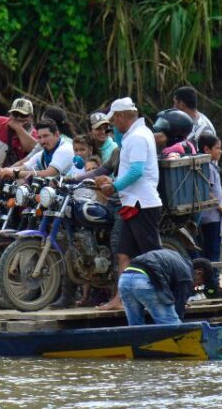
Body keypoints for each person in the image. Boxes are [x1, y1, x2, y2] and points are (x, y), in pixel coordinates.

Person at [94, 97, 163, 311]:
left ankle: (165, 294)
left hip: (143, 204)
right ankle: (120, 299)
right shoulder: (132, 136)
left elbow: (136, 171)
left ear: (122, 117)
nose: (113, 125)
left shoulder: (139, 137)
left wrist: (113, 187)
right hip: (131, 203)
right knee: (124, 253)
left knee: (151, 256)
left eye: (114, 120)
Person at [118, 249, 212, 325]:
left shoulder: (178, 260)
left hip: (125, 278)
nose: (195, 287)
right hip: (145, 280)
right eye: (198, 284)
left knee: (136, 329)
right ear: (199, 273)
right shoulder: (187, 276)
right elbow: (178, 311)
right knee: (172, 327)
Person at [195, 132, 222, 298]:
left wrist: (221, 198)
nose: (220, 151)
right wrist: (221, 208)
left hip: (208, 217)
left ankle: (210, 286)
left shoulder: (210, 165)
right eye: (217, 148)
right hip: (211, 217)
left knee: (208, 252)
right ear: (206, 149)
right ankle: (212, 287)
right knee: (213, 253)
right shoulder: (207, 166)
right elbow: (206, 190)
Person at [0, 119, 75, 180]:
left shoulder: (65, 149)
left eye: (46, 136)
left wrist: (14, 173)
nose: (42, 141)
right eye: (39, 137)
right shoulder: (43, 153)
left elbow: (49, 174)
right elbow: (24, 167)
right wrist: (2, 171)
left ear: (56, 135)